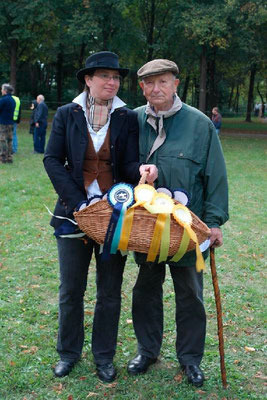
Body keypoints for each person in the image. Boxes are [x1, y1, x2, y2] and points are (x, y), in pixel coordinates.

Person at [43, 51, 157, 383]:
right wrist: (77, 202)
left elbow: (127, 165)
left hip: (114, 217)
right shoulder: (67, 114)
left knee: (109, 291)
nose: (112, 82)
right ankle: (68, 353)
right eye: (104, 76)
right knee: (70, 290)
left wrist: (142, 170)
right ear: (88, 80)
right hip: (72, 214)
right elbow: (52, 159)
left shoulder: (125, 118)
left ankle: (104, 356)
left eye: (116, 77)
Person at [127, 59, 229, 387]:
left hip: (189, 231)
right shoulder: (132, 122)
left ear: (176, 84)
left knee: (190, 295)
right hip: (146, 231)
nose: (156, 89)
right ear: (141, 87)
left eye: (163, 82)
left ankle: (190, 359)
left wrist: (213, 224)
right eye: (149, 83)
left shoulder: (200, 125)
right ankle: (147, 350)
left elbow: (216, 177)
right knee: (144, 291)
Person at [0, 83, 16, 163]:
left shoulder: (3, 100)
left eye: (2, 89)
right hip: (11, 123)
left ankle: (3, 157)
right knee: (10, 140)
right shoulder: (13, 100)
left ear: (5, 91)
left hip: (3, 123)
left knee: (2, 140)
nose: (1, 91)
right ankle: (9, 157)